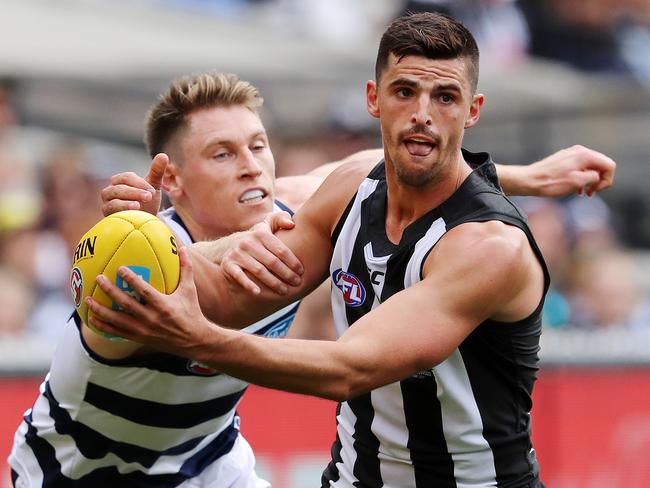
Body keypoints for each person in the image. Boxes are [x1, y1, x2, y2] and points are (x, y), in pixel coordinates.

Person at [8, 60, 614, 488]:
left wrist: (529, 174)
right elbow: (119, 286)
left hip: (209, 462)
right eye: (223, 154)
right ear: (172, 181)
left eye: (259, 146)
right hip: (78, 472)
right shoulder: (146, 252)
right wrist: (187, 248)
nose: (253, 168)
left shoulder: (291, 217)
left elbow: (372, 163)